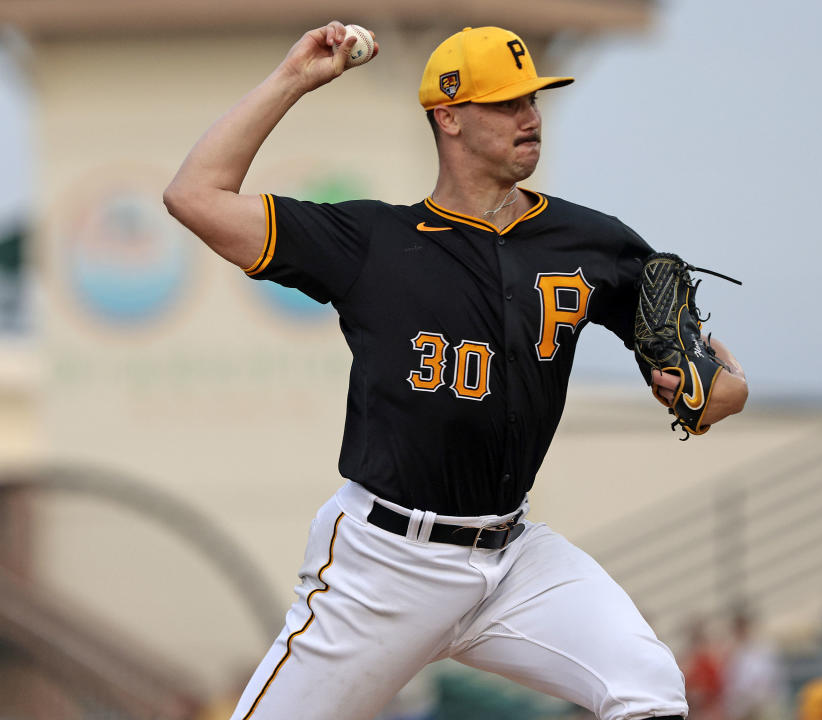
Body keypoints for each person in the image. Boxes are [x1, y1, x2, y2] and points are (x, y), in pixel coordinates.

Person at [164, 22, 749, 720]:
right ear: (449, 117)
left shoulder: (594, 243)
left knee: (648, 688)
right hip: (384, 563)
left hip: (513, 559)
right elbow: (195, 196)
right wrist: (293, 78)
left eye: (532, 100)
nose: (530, 117)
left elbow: (713, 384)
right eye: (506, 103)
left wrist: (712, 394)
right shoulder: (370, 244)